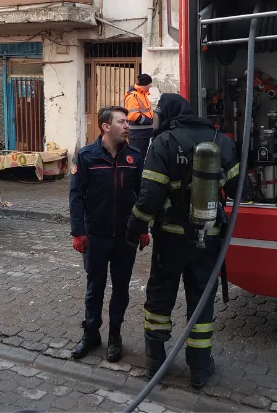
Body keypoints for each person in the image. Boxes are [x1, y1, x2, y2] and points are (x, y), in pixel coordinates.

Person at [125, 93, 249, 389]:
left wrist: (135, 223)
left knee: (159, 298)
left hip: (171, 239)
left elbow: (151, 194)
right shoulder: (221, 140)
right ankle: (200, 369)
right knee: (202, 302)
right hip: (209, 239)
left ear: (169, 113)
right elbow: (240, 187)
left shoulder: (164, 142)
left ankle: (155, 362)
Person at [69, 106, 148, 362]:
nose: (127, 126)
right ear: (105, 126)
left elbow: (142, 197)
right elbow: (76, 196)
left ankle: (115, 336)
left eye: (127, 122)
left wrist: (143, 228)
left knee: (121, 288)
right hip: (96, 236)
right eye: (122, 122)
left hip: (125, 237)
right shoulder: (86, 156)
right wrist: (78, 232)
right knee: (95, 288)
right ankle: (91, 334)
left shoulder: (134, 156)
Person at [123, 73, 155, 162]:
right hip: (137, 134)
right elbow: (133, 115)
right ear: (145, 85)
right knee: (136, 158)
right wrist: (148, 121)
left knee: (141, 158)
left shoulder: (143, 94)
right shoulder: (133, 96)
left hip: (144, 133)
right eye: (149, 85)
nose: (150, 86)